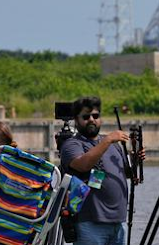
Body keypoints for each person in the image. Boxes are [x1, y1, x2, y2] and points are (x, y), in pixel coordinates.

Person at [60, 96, 143, 245]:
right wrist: (107, 140)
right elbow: (83, 164)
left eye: (96, 116)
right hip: (89, 224)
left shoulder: (113, 145)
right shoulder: (72, 145)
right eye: (86, 116)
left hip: (118, 223)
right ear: (76, 120)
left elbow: (126, 173)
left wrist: (135, 159)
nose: (92, 119)